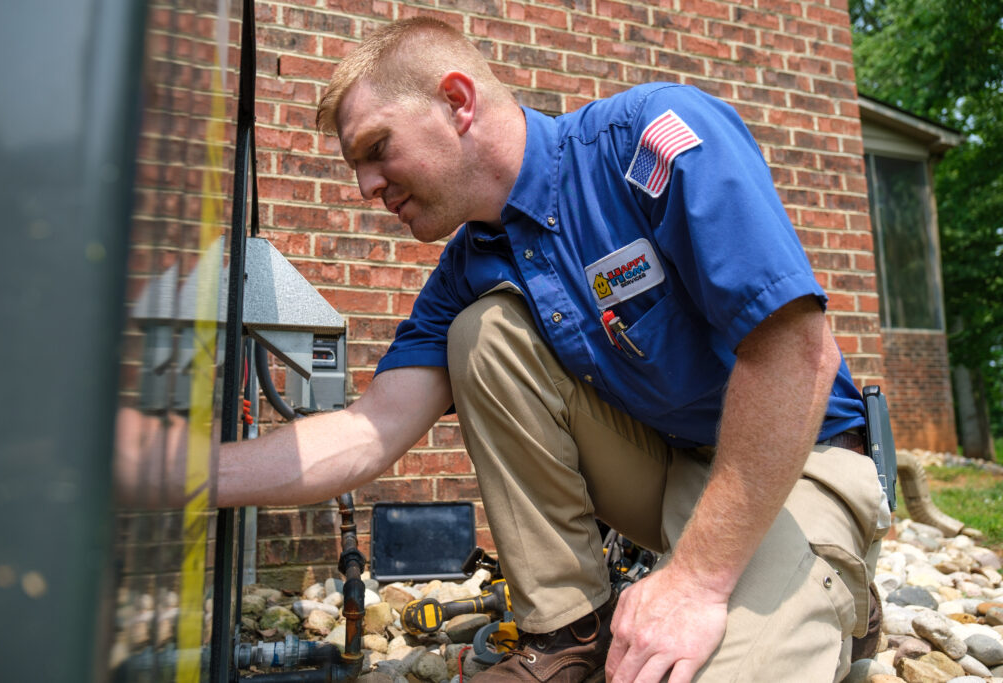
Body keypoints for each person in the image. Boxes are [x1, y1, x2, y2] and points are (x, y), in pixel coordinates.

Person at [219, 17, 890, 683]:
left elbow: (798, 352)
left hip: (799, 462)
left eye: (376, 148)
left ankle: (836, 594)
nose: (366, 186)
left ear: (457, 102)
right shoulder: (469, 268)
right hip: (672, 470)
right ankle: (569, 635)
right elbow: (367, 432)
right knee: (482, 335)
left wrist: (693, 581)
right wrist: (179, 469)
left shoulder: (648, 140)